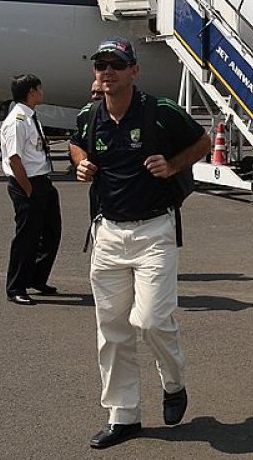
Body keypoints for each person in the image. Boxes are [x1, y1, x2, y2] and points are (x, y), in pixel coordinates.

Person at [69, 38, 212, 449]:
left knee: (149, 321)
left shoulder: (159, 111)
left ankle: (174, 383)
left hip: (154, 232)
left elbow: (202, 141)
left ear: (134, 70)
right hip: (108, 233)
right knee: (111, 328)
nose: (107, 71)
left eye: (116, 64)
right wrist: (81, 163)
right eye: (101, 65)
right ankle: (123, 414)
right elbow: (75, 141)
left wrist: (173, 165)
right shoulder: (90, 114)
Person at [0, 74, 61, 306]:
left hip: (42, 181)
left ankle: (36, 277)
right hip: (28, 183)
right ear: (32, 92)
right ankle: (15, 286)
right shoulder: (17, 120)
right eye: (40, 88)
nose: (42, 92)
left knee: (51, 232)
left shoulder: (30, 117)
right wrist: (27, 189)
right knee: (27, 237)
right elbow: (15, 158)